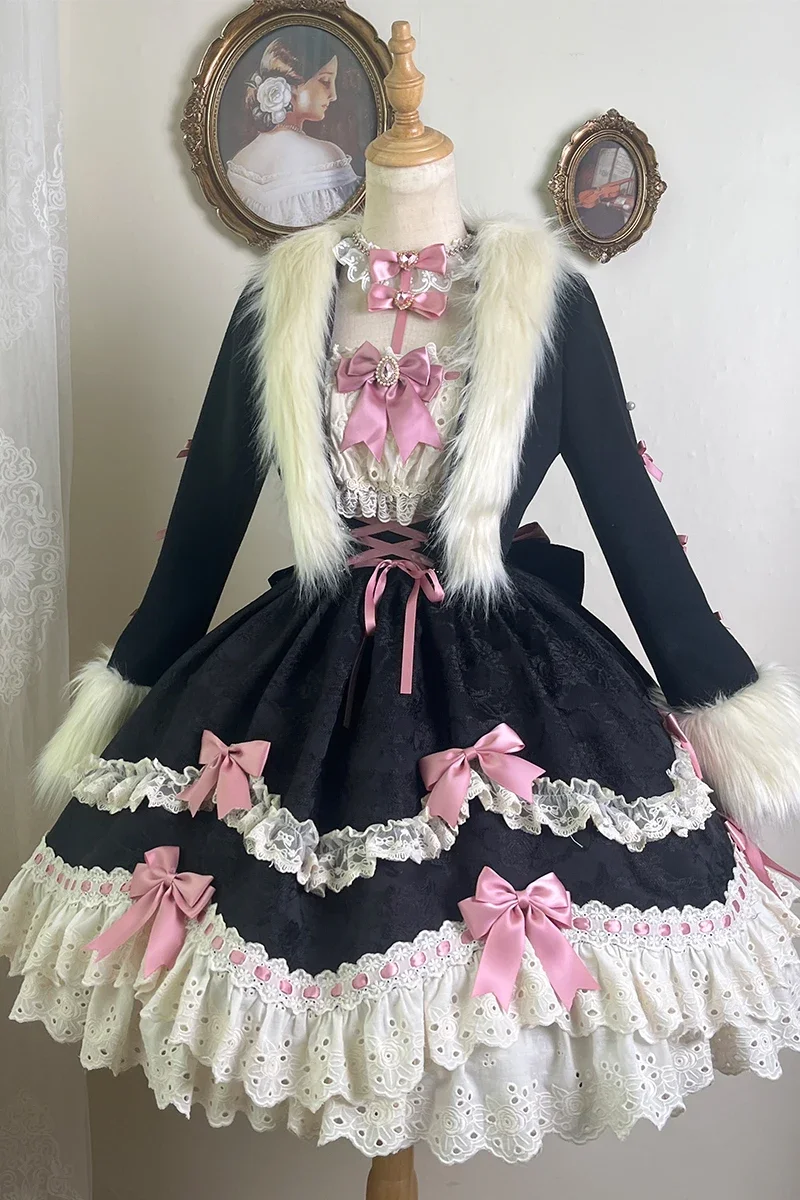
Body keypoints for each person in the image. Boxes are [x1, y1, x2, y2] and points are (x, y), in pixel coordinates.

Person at [226, 32, 359, 228]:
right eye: (325, 81)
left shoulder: (239, 161)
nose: (333, 95)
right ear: (292, 84)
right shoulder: (328, 156)